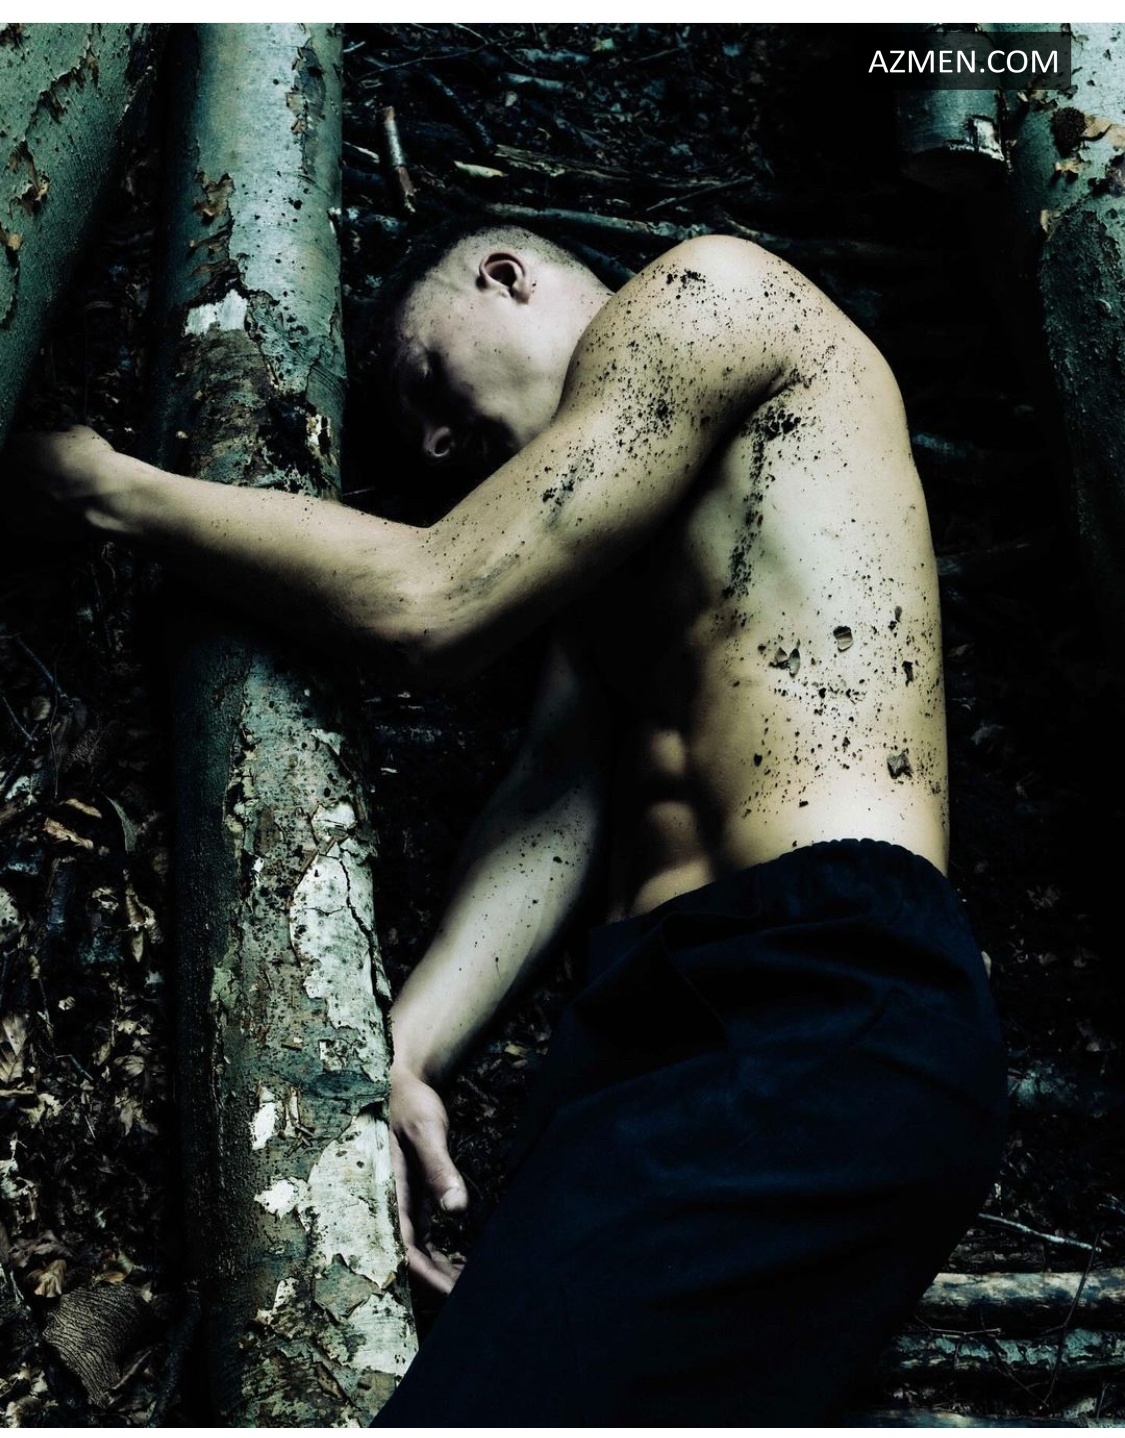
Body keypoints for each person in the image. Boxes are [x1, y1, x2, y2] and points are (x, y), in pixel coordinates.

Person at [12, 224, 1007, 1425]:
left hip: (827, 990)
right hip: (652, 1034)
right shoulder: (612, 572)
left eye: (429, 380)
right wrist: (410, 1049)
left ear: (504, 275)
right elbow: (555, 804)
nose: (435, 444)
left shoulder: (712, 293)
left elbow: (434, 599)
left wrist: (110, 488)